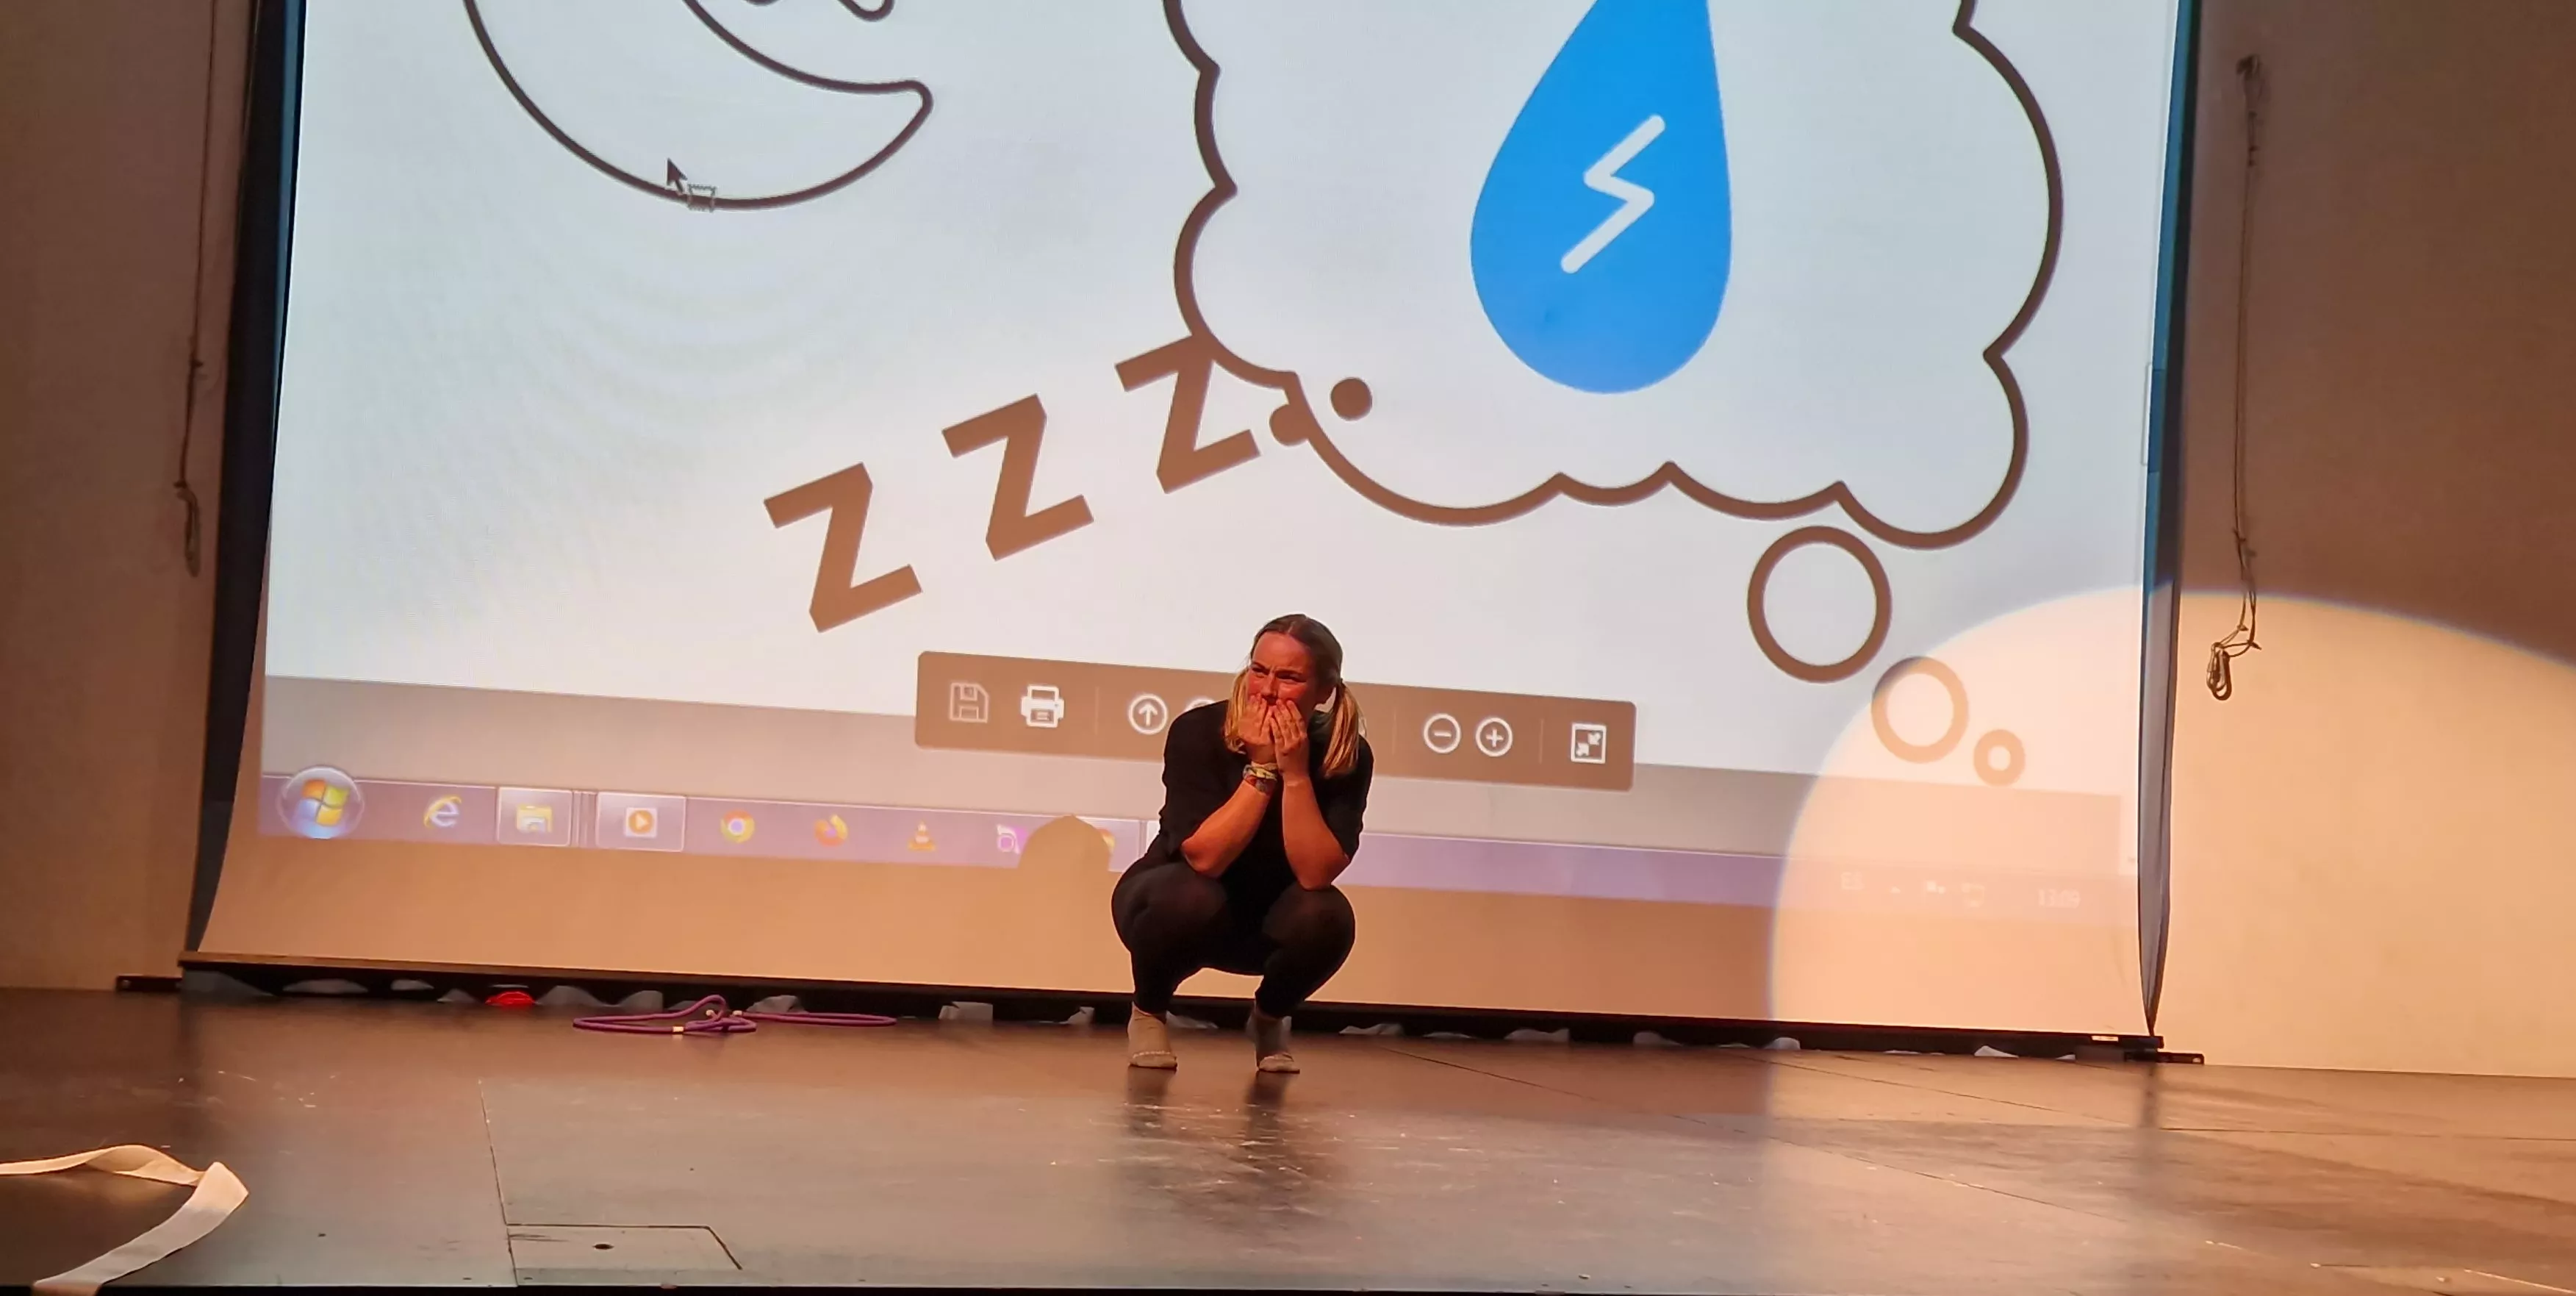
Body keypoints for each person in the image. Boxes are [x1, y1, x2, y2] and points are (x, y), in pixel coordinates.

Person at [1111, 614, 1373, 1073]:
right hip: (1175, 897)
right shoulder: (1198, 730)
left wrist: (1294, 774)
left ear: (1324, 690)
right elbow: (1205, 858)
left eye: (1289, 678)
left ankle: (1269, 1019)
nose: (1267, 690)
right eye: (1259, 671)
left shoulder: (1344, 750)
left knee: (1328, 916)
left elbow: (1315, 873)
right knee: (1192, 895)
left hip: (1269, 917)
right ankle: (1148, 1010)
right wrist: (1262, 769)